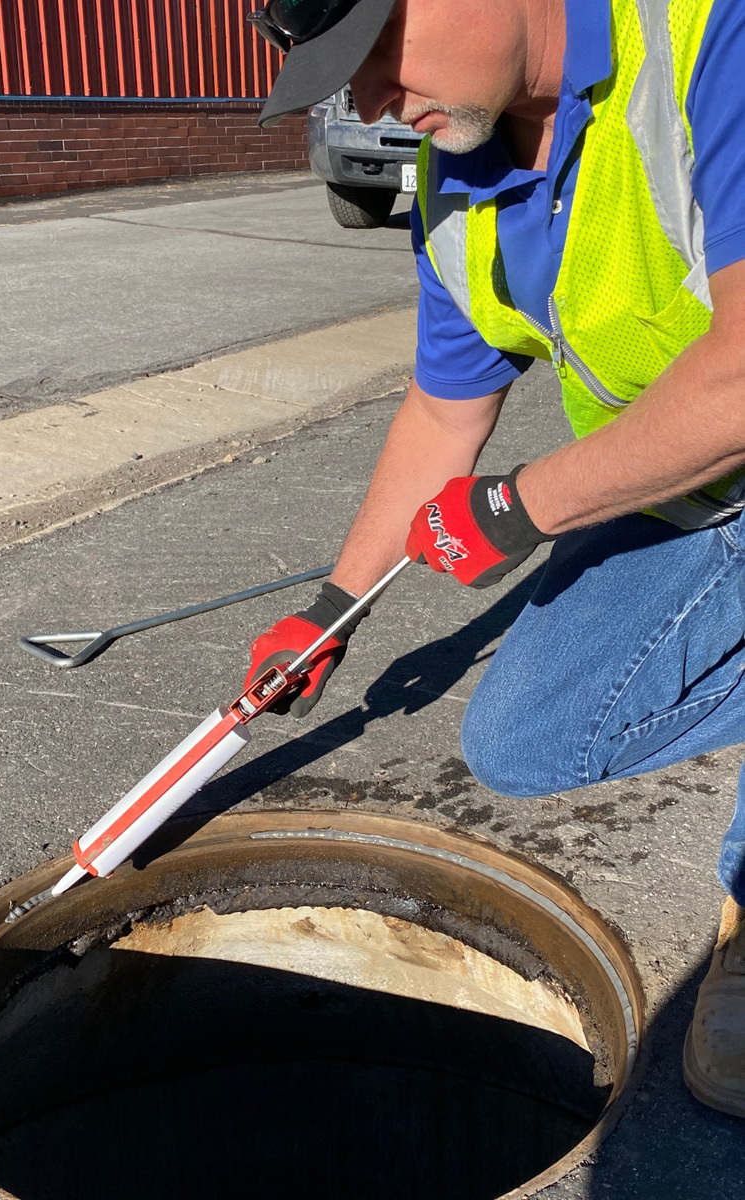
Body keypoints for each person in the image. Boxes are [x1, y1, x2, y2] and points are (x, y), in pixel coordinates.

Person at [243, 0, 745, 1117]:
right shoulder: (459, 175)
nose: (372, 101)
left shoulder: (709, 39)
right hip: (703, 491)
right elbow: (442, 412)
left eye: (377, 51)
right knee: (527, 738)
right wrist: (331, 611)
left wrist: (524, 508)